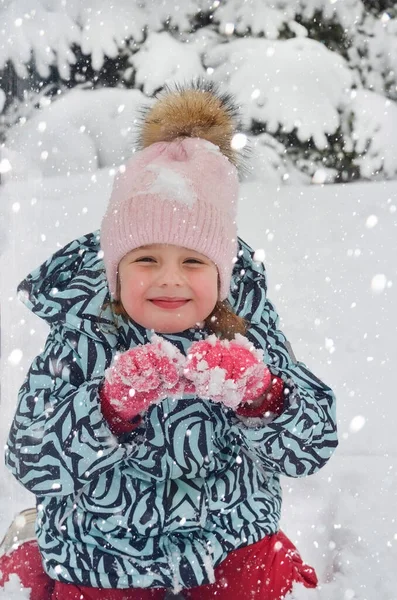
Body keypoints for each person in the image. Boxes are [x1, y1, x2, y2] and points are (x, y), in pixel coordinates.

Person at [1, 81, 337, 599]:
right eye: (146, 259)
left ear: (222, 273)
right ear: (115, 270)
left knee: (265, 582)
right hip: (105, 544)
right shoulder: (85, 331)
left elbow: (312, 446)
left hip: (226, 536)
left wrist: (263, 398)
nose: (169, 279)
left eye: (193, 261)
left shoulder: (246, 328)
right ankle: (32, 555)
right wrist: (105, 408)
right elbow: (29, 455)